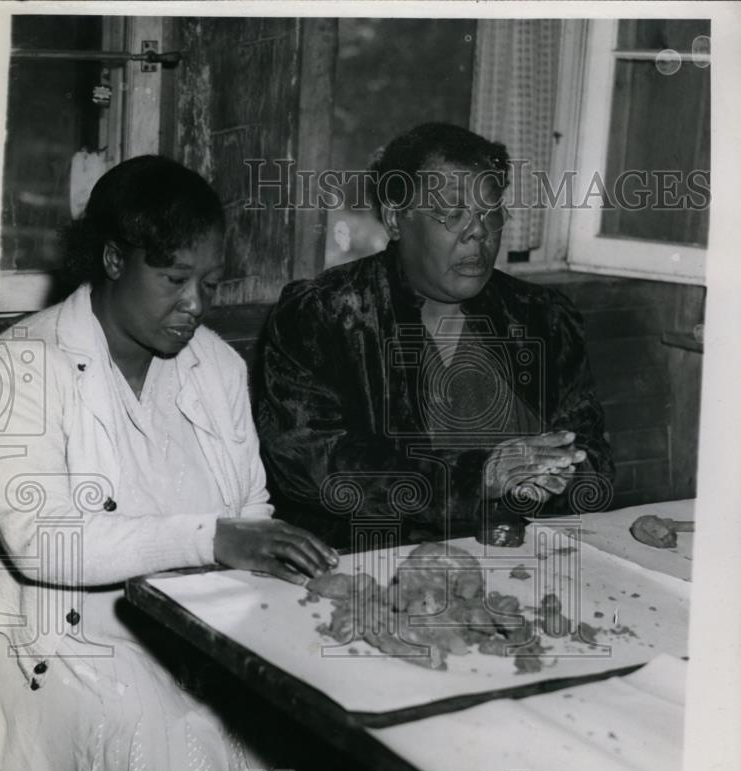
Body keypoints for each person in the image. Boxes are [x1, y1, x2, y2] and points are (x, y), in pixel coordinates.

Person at [0, 155, 342, 771]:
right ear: (114, 260)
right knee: (169, 740)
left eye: (209, 284)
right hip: (71, 642)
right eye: (175, 279)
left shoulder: (215, 366)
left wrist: (279, 573)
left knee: (280, 724)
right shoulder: (23, 363)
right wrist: (209, 537)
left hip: (201, 625)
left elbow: (250, 507)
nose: (194, 307)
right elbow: (43, 541)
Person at [255, 122, 614, 548]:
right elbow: (311, 465)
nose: (478, 231)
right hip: (367, 567)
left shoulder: (543, 318)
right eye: (452, 213)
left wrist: (554, 475)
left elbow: (593, 458)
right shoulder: (322, 315)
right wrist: (477, 478)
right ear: (394, 219)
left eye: (490, 212)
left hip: (516, 558)